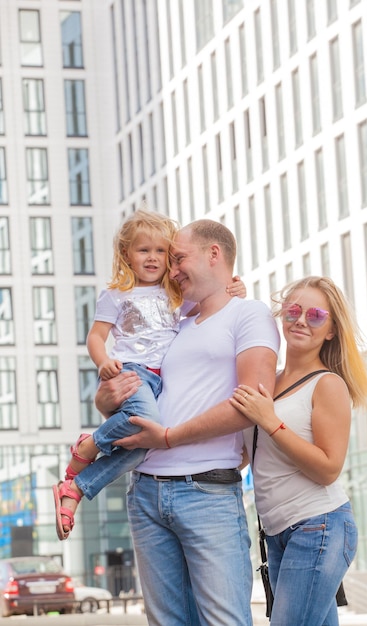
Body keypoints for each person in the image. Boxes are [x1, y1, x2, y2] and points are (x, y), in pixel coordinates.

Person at [96, 219, 280, 626]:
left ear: (214, 254)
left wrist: (167, 437)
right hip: (144, 492)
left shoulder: (248, 314)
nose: (170, 269)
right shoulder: (172, 326)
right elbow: (130, 393)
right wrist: (105, 398)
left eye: (177, 258)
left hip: (206, 492)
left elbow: (253, 400)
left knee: (223, 621)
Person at [52, 210, 245, 541]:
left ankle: (76, 488)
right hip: (132, 372)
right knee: (146, 418)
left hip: (160, 379)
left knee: (141, 448)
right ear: (127, 253)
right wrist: (103, 364)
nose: (153, 258)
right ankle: (91, 444)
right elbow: (95, 337)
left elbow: (209, 306)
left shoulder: (175, 295)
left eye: (161, 252)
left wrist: (233, 288)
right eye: (144, 250)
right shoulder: (116, 294)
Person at [229, 276, 367, 626]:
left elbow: (328, 468)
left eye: (314, 315)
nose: (300, 320)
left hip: (318, 526)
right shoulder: (268, 379)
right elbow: (251, 455)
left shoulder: (327, 384)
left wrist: (270, 422)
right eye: (293, 310)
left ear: (330, 330)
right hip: (277, 533)